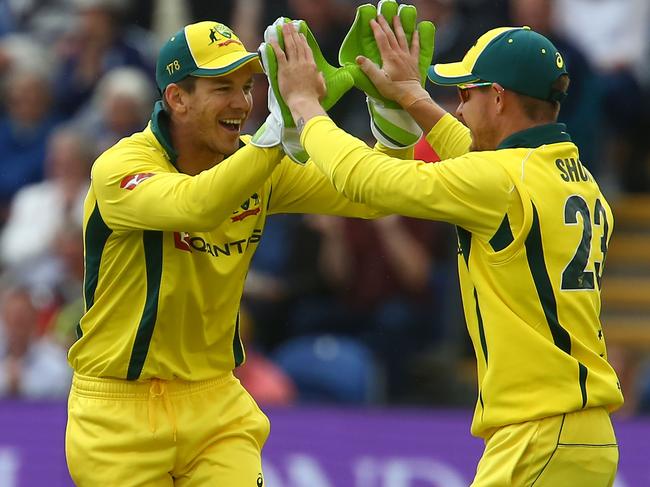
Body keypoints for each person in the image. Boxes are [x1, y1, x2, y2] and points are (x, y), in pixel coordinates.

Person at [272, 15, 624, 486]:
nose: (457, 109)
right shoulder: (572, 175)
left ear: (498, 97)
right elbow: (476, 158)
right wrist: (410, 96)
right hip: (581, 433)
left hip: (540, 434)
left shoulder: (501, 181)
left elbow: (366, 181)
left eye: (465, 94)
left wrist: (304, 105)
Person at [64, 20, 395, 486]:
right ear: (177, 98)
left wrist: (393, 112)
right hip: (118, 414)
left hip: (216, 402)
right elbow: (195, 205)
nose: (242, 103)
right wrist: (279, 134)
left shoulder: (257, 160)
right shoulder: (120, 166)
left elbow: (373, 195)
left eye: (248, 86)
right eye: (222, 87)